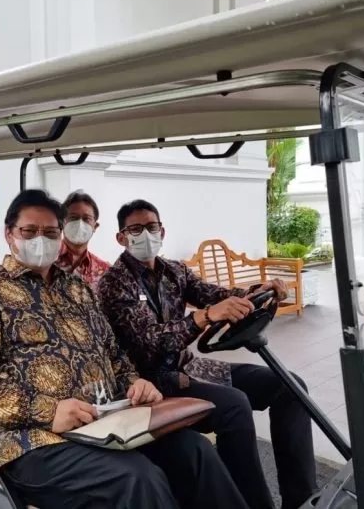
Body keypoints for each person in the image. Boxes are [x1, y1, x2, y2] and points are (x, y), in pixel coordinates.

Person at [0, 189, 250, 509]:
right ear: (9, 234)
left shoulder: (78, 289)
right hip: (32, 440)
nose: (41, 239)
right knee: (138, 478)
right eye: (30, 231)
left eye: (50, 232)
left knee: (194, 451)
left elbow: (113, 352)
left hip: (106, 423)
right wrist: (49, 412)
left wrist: (134, 382)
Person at [98, 199, 318, 509]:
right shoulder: (113, 284)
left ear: (162, 231)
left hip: (190, 368)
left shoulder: (174, 271)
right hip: (149, 383)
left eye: (151, 227)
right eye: (135, 229)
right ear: (121, 237)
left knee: (290, 386)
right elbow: (150, 341)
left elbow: (214, 295)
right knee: (234, 406)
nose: (145, 235)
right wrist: (204, 317)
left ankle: (302, 499)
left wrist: (256, 292)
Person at [55, 190, 111, 291]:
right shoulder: (45, 261)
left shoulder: (104, 271)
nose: (80, 224)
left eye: (86, 219)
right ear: (61, 222)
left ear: (95, 226)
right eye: (73, 218)